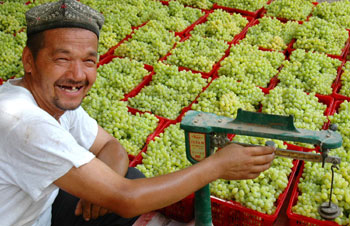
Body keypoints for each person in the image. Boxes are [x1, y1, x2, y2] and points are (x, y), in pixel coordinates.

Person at [0, 0, 275, 225]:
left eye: (89, 61)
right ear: (29, 60)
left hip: (41, 212)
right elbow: (127, 199)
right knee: (126, 196)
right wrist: (217, 166)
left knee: (127, 180)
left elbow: (110, 146)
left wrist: (103, 192)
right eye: (62, 59)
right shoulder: (22, 121)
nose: (77, 74)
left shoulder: (54, 100)